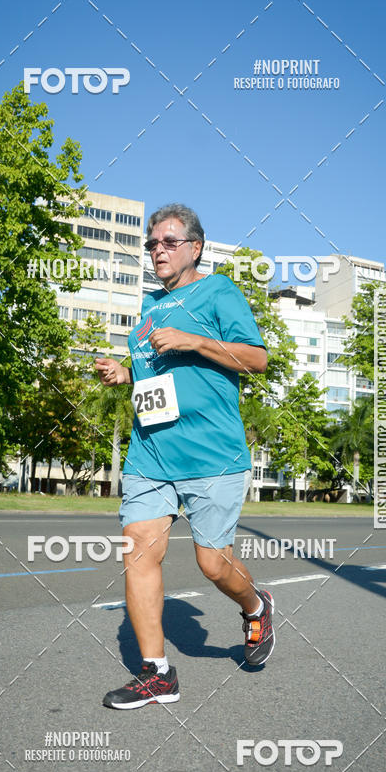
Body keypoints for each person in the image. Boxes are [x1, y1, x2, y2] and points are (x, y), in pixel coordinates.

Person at [95, 203, 274, 710]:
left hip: (212, 455)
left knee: (213, 565)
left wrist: (194, 340)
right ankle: (157, 674)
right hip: (151, 454)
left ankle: (256, 604)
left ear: (195, 247)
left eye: (169, 242)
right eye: (152, 244)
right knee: (138, 552)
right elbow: (158, 377)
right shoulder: (148, 312)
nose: (157, 251)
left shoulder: (218, 292)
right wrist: (125, 373)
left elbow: (256, 359)